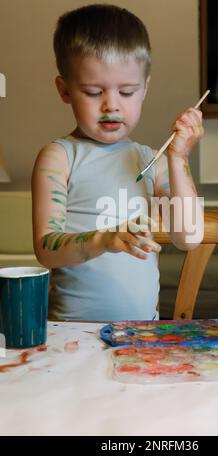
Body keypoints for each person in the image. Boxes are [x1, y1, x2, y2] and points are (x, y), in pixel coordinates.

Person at [31, 4, 204, 322]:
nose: (111, 105)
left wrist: (178, 159)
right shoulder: (59, 158)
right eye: (93, 91)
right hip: (73, 335)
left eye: (127, 91)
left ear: (145, 90)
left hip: (141, 335)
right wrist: (104, 239)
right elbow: (46, 250)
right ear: (65, 90)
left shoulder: (151, 160)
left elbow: (190, 236)